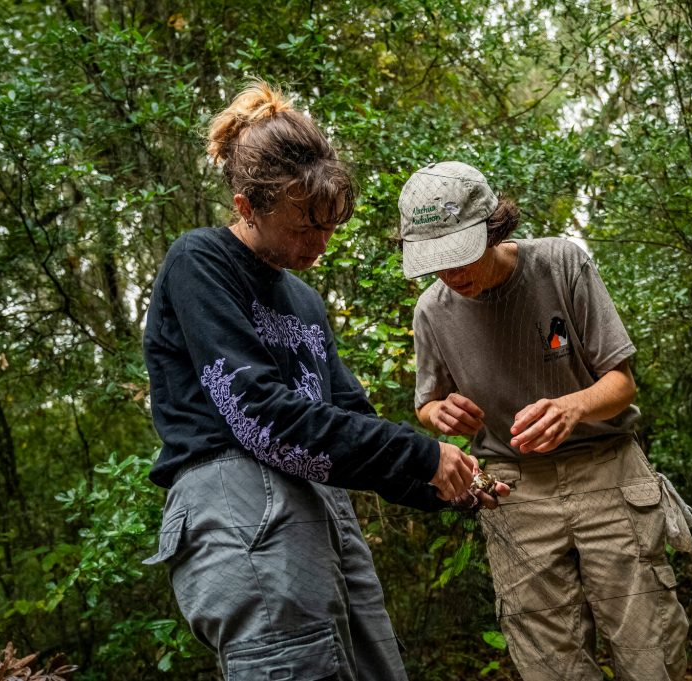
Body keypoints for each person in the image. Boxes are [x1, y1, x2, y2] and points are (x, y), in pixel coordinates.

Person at [141, 84, 506, 681]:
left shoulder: (304, 299)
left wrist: (444, 481)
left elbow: (351, 418)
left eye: (329, 227)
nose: (319, 245)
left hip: (321, 502)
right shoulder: (200, 262)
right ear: (247, 206)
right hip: (237, 498)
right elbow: (257, 416)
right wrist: (419, 453)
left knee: (374, 668)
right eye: (304, 227)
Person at [399, 161, 692, 680]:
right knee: (549, 664)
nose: (451, 274)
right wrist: (439, 413)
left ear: (494, 228)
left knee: (649, 649)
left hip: (607, 473)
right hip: (513, 491)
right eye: (435, 263)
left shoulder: (560, 264)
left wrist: (572, 406)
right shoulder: (432, 312)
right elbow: (428, 401)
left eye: (460, 254)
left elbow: (621, 382)